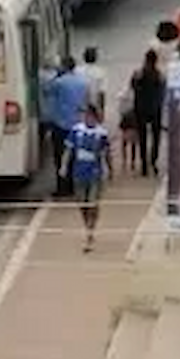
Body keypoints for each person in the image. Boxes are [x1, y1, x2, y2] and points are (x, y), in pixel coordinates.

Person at [67, 101, 113, 252]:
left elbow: (107, 153)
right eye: (86, 116)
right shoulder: (76, 130)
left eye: (91, 117)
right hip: (78, 173)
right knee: (82, 203)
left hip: (95, 174)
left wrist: (110, 170)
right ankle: (87, 223)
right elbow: (69, 150)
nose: (88, 119)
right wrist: (63, 166)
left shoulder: (102, 134)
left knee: (92, 203)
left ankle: (90, 232)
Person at [43, 57, 92, 198]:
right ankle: (78, 186)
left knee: (60, 157)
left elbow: (46, 91)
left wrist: (56, 75)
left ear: (64, 66)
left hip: (61, 123)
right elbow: (88, 100)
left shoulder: (59, 82)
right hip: (78, 123)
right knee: (77, 156)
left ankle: (63, 188)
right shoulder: (83, 82)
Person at [132, 49, 169, 177]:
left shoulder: (139, 73)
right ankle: (153, 161)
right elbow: (163, 93)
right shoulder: (159, 75)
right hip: (155, 109)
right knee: (156, 137)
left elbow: (133, 87)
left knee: (142, 138)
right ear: (156, 61)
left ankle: (143, 164)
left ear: (145, 59)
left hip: (141, 109)